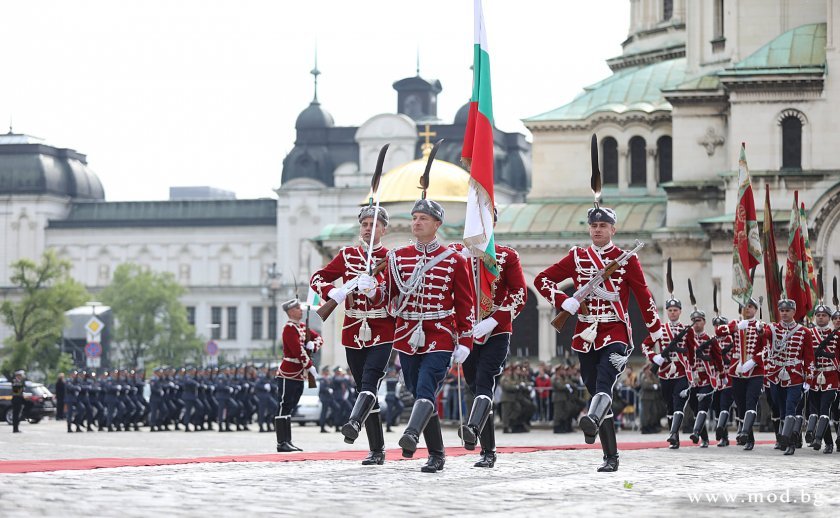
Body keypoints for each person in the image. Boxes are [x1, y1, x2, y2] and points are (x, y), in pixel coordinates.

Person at [535, 203, 663, 472]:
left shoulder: (627, 259)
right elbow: (542, 280)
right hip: (585, 333)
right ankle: (610, 455)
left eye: (603, 226)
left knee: (605, 382)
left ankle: (592, 418)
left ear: (613, 229)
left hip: (616, 332)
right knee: (595, 389)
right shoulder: (577, 257)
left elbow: (643, 295)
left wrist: (656, 329)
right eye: (593, 225)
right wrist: (563, 300)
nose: (597, 230)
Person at [365, 194, 474, 473]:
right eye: (414, 218)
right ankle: (437, 454)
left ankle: (411, 435)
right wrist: (371, 289)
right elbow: (387, 296)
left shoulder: (453, 259)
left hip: (440, 333)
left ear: (437, 223)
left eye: (423, 218)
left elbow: (465, 304)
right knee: (418, 392)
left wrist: (466, 341)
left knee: (427, 386)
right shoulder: (397, 257)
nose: (416, 223)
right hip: (406, 333)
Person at [310, 205, 395, 465]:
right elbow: (316, 277)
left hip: (382, 330)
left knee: (370, 382)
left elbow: (396, 294)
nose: (369, 228)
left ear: (384, 229)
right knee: (362, 388)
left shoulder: (391, 258)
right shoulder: (347, 256)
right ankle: (377, 449)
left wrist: (375, 291)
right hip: (353, 330)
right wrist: (331, 292)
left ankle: (354, 423)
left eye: (374, 224)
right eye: (365, 224)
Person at [451, 221, 527, 468]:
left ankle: (474, 430)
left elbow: (519, 293)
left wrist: (495, 319)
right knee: (475, 386)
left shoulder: (506, 255)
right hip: (466, 331)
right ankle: (488, 448)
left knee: (485, 380)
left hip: (496, 331)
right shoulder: (455, 253)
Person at [641, 294, 692, 450]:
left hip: (682, 371)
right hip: (664, 372)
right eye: (670, 310)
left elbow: (692, 351)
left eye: (675, 310)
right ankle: (674, 435)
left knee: (678, 403)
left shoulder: (686, 330)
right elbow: (645, 346)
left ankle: (674, 433)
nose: (672, 313)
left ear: (680, 311)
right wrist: (654, 357)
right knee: (669, 405)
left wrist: (692, 372)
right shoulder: (660, 329)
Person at [717, 298, 768, 451]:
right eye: (744, 307)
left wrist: (753, 361)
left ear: (756, 309)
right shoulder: (736, 324)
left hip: (755, 371)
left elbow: (766, 348)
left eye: (751, 307)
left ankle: (746, 432)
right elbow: (719, 331)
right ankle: (748, 437)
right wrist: (735, 327)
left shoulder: (761, 326)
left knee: (751, 401)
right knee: (741, 405)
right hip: (737, 371)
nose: (747, 309)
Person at [274, 298, 323, 452]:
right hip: (288, 373)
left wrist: (313, 345)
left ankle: (287, 441)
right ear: (290, 312)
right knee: (284, 405)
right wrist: (310, 366)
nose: (301, 311)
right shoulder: (289, 329)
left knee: (291, 406)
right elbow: (297, 351)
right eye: (297, 309)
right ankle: (282, 442)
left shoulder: (301, 327)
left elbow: (319, 338)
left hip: (298, 374)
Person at [766, 299, 814, 455]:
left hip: (795, 375)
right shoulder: (772, 329)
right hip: (776, 375)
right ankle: (783, 438)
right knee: (779, 406)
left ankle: (789, 442)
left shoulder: (804, 332)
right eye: (782, 310)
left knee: (790, 407)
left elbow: (809, 357)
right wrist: (760, 329)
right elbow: (764, 335)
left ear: (794, 312)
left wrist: (809, 379)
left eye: (788, 310)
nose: (784, 313)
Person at [685, 309, 724, 448]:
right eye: (694, 321)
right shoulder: (688, 339)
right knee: (695, 409)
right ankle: (705, 438)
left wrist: (722, 375)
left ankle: (696, 432)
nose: (696, 324)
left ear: (704, 322)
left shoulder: (710, 340)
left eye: (699, 321)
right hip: (693, 380)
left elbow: (718, 358)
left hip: (707, 377)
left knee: (703, 407)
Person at [806, 302, 838, 453]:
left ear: (829, 318)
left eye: (824, 315)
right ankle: (828, 443)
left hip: (831, 375)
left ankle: (818, 439)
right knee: (816, 409)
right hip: (814, 375)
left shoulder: (836, 335)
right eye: (818, 315)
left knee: (825, 407)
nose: (820, 318)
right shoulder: (809, 333)